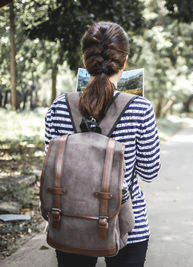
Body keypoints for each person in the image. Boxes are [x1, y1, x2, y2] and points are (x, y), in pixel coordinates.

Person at [44, 21, 161, 267]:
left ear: (86, 60)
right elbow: (150, 172)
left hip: (69, 220)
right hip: (128, 227)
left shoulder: (59, 105)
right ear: (125, 61)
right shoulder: (140, 108)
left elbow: (52, 166)